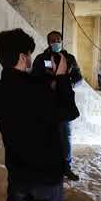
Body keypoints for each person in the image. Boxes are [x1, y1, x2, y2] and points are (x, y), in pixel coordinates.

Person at [0, 28, 80, 201]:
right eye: (29, 55)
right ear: (23, 58)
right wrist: (62, 78)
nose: (31, 59)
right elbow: (70, 112)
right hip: (45, 176)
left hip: (18, 176)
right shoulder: (37, 90)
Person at [32, 31, 83, 181]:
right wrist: (49, 83)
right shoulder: (41, 59)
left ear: (62, 41)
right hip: (46, 104)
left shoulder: (70, 59)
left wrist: (67, 83)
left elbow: (79, 78)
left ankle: (66, 168)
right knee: (46, 136)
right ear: (48, 42)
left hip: (64, 104)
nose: (56, 42)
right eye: (52, 40)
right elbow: (34, 78)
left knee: (65, 136)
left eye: (58, 40)